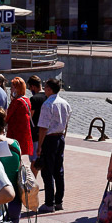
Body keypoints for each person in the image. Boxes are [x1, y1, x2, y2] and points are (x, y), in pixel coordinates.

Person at [34, 78, 70, 212]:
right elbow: (66, 123)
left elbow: (43, 127)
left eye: (45, 88)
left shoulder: (48, 104)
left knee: (47, 171)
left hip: (49, 139)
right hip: (60, 137)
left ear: (49, 89)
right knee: (59, 171)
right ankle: (59, 201)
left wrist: (40, 146)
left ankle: (49, 203)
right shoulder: (65, 103)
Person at [5, 77, 33, 159]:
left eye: (12, 87)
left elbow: (7, 116)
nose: (10, 89)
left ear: (17, 88)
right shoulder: (26, 99)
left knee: (14, 153)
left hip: (15, 131)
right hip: (24, 131)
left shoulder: (17, 101)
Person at [27, 75, 45, 160]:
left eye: (30, 88)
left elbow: (30, 117)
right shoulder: (48, 96)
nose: (30, 90)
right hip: (47, 132)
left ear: (33, 87)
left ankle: (34, 173)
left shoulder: (34, 99)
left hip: (35, 132)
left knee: (34, 159)